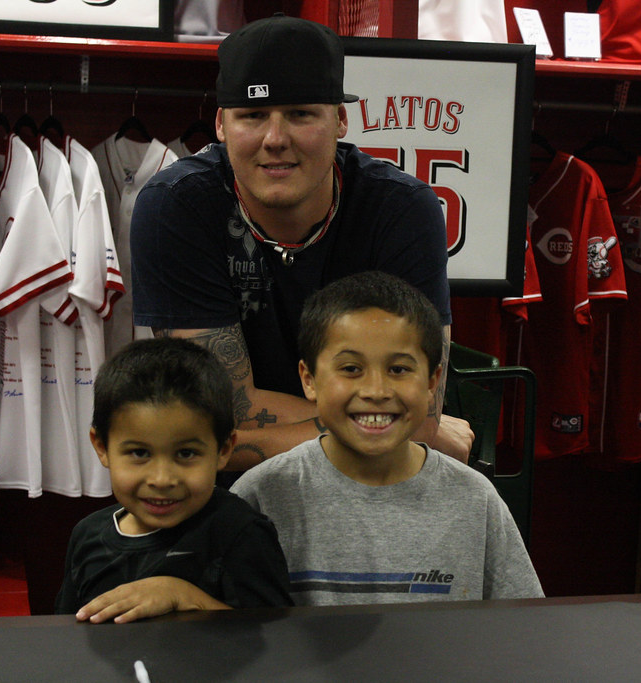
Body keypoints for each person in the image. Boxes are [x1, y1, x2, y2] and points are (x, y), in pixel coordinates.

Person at [129, 13, 474, 470]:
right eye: (253, 115)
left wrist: (416, 426)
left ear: (340, 120)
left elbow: (421, 414)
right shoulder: (176, 206)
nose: (275, 139)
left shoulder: (403, 209)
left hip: (376, 485)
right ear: (220, 124)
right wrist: (390, 424)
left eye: (300, 114)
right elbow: (210, 419)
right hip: (227, 500)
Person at [231, 271, 543, 605]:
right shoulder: (260, 495)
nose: (376, 391)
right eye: (351, 369)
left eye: (398, 369)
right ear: (309, 379)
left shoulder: (475, 501)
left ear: (432, 381)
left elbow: (522, 630)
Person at [55, 337, 293, 622]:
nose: (162, 479)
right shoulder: (87, 535)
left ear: (223, 449)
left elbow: (277, 637)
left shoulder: (240, 532)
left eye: (186, 453)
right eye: (140, 453)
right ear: (102, 447)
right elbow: (68, 634)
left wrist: (183, 596)